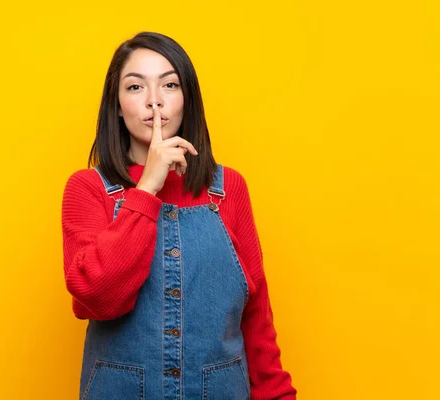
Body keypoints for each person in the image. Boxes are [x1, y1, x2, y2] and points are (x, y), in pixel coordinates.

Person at [62, 31, 296, 400]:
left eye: (169, 85)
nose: (154, 102)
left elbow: (256, 316)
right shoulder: (87, 189)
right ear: (117, 106)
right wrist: (147, 189)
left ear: (187, 100)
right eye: (136, 87)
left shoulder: (228, 188)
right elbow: (98, 297)